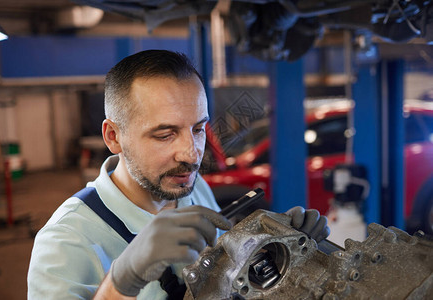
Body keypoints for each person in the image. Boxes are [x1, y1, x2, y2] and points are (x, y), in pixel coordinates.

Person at [27, 50, 329, 300]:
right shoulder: (64, 243)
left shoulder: (191, 188)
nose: (192, 154)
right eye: (164, 134)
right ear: (113, 136)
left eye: (198, 129)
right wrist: (121, 282)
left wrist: (281, 249)